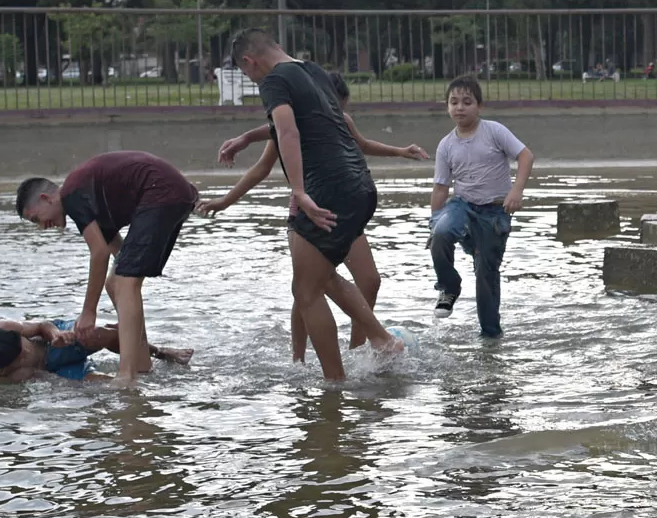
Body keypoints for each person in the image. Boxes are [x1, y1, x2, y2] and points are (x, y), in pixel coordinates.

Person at [201, 69, 429, 358]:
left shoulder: (340, 122)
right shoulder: (290, 128)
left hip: (344, 212)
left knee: (368, 280)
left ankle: (360, 353)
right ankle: (299, 358)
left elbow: (363, 145)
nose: (336, 114)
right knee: (309, 287)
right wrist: (225, 200)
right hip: (308, 216)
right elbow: (263, 164)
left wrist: (400, 151)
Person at [223, 28, 407, 380]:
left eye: (248, 73)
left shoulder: (273, 80)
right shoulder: (313, 71)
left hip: (328, 188)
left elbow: (288, 131)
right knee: (323, 279)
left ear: (250, 61)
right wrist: (248, 137)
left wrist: (300, 191)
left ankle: (335, 384)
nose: (253, 78)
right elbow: (320, 125)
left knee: (306, 291)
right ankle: (381, 341)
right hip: (360, 185)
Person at [16, 151, 198, 387]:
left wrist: (88, 312)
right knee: (117, 282)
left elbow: (99, 253)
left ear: (45, 198)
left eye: (35, 219)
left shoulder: (72, 195)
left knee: (123, 281)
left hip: (161, 193)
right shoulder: (89, 200)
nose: (42, 226)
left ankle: (127, 375)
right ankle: (141, 364)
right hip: (170, 194)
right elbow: (118, 253)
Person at [430, 75, 535, 338]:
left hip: (495, 214)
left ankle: (490, 338)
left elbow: (525, 155)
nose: (460, 107)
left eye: (467, 102)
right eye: (454, 102)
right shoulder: (446, 145)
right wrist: (432, 222)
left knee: (486, 275)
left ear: (479, 106)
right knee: (441, 233)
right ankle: (449, 287)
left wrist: (516, 191)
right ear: (447, 107)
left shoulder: (494, 131)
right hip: (462, 207)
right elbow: (441, 188)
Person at [0, 318, 193, 383]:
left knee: (104, 334)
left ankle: (160, 352)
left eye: (23, 345)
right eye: (20, 358)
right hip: (54, 369)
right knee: (112, 387)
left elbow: (40, 326)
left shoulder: (2, 327)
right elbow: (44, 379)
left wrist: (56, 334)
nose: (26, 353)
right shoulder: (0, 376)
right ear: (2, 370)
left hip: (54, 344)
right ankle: (151, 383)